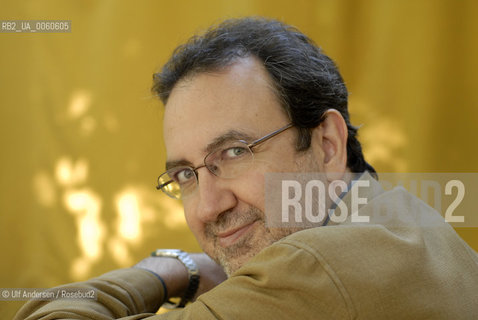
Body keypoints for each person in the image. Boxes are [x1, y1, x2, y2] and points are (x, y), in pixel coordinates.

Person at [15, 17, 478, 320]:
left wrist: (168, 270)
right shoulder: (407, 223)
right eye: (186, 175)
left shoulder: (316, 267)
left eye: (235, 152)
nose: (209, 207)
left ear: (328, 143)